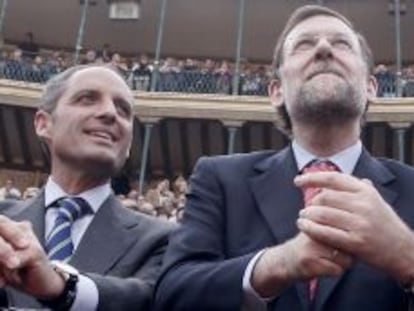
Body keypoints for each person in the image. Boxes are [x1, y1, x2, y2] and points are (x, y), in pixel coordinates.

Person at [154, 5, 414, 311]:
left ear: (372, 88)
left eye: (342, 44)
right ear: (275, 91)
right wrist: (275, 265)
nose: (324, 49)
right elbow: (172, 296)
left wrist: (406, 254)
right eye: (304, 44)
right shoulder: (220, 179)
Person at [0, 64, 174, 310]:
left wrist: (62, 286)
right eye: (87, 99)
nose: (110, 113)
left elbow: (152, 299)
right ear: (43, 124)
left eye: (123, 110)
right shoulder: (2, 219)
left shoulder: (162, 239)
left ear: (128, 144)